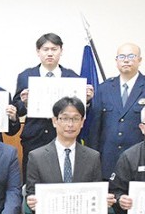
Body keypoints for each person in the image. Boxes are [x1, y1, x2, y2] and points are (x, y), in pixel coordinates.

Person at [13, 33, 92, 181]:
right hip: (34, 138)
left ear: (61, 51)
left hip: (64, 137)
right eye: (45, 49)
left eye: (54, 49)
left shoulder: (72, 77)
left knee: (62, 178)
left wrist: (86, 100)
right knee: (33, 181)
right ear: (38, 52)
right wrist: (24, 103)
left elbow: (79, 111)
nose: (50, 53)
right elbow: (18, 108)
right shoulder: (26, 76)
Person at [88, 43, 145, 180]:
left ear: (139, 60)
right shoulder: (104, 88)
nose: (126, 60)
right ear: (116, 61)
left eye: (131, 56)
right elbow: (95, 128)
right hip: (108, 161)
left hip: (141, 161)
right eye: (122, 57)